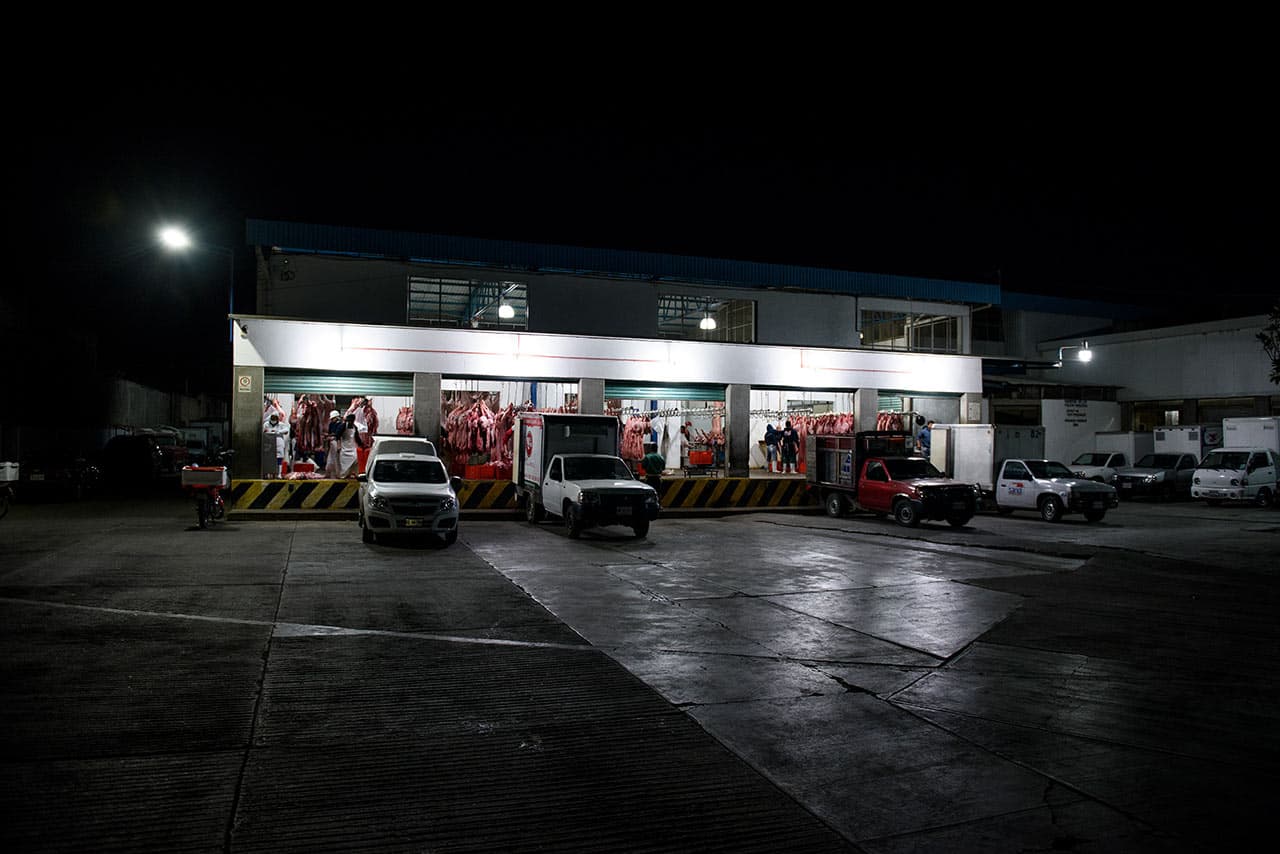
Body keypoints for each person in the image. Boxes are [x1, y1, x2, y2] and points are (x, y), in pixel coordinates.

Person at [334, 413, 363, 478]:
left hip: (352, 447)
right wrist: (338, 445)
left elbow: (357, 438)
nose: (350, 422)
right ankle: (343, 475)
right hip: (344, 447)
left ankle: (355, 474)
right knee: (344, 463)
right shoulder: (342, 426)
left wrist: (361, 445)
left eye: (351, 421)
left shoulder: (355, 427)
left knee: (355, 460)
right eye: (349, 421)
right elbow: (337, 436)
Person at [263, 412, 289, 477]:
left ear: (277, 419)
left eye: (275, 418)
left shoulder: (281, 424)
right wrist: (268, 431)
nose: (273, 420)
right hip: (269, 443)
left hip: (279, 443)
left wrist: (278, 431)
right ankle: (268, 473)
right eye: (272, 418)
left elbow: (286, 430)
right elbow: (263, 431)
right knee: (269, 458)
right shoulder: (266, 424)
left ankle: (279, 474)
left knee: (279, 458)